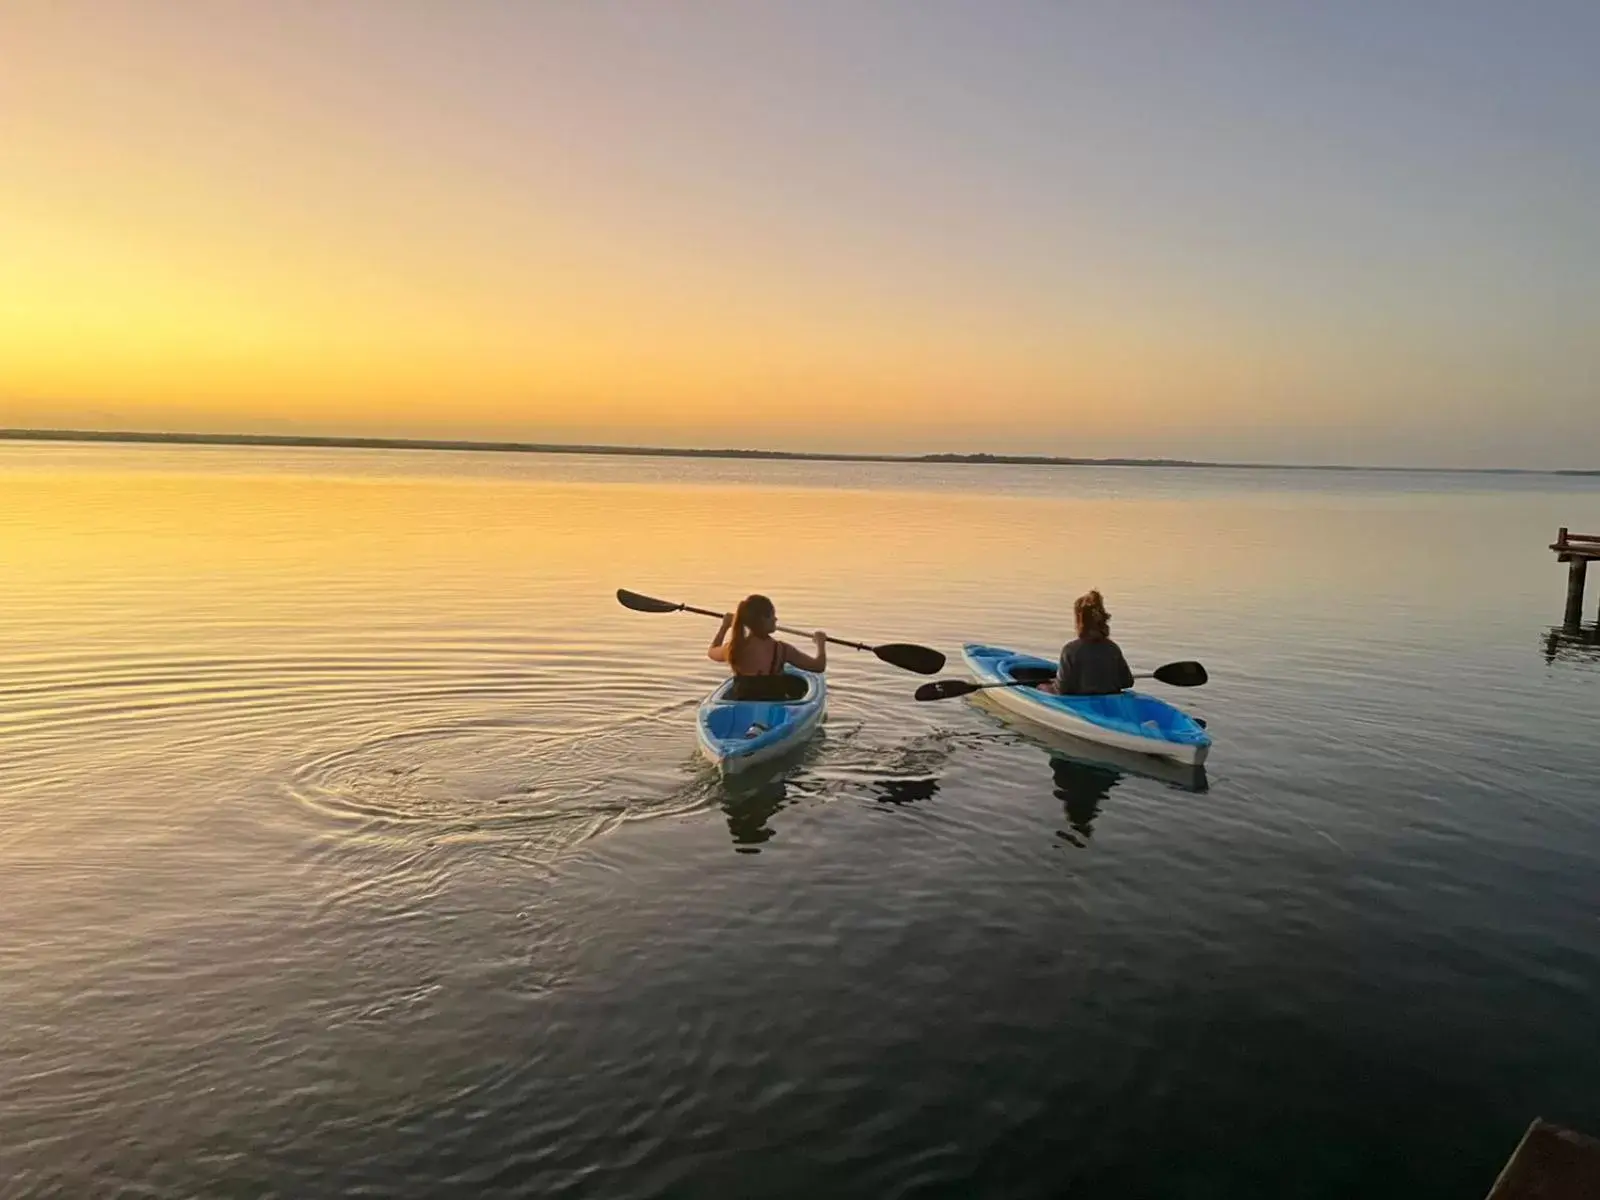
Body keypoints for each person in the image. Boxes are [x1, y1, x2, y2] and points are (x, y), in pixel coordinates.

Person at [708, 594, 826, 692]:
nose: (775, 619)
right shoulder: (782, 649)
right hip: (772, 706)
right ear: (762, 619)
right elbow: (818, 666)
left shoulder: (734, 647)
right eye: (772, 615)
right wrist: (820, 643)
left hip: (742, 700)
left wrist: (724, 626)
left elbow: (712, 652)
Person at [1044, 589, 1134, 695]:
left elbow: (1061, 690)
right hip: (1110, 704)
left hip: (1081, 707)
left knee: (1042, 687)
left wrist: (1044, 687)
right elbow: (1127, 682)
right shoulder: (1113, 648)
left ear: (1079, 621)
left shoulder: (1070, 650)